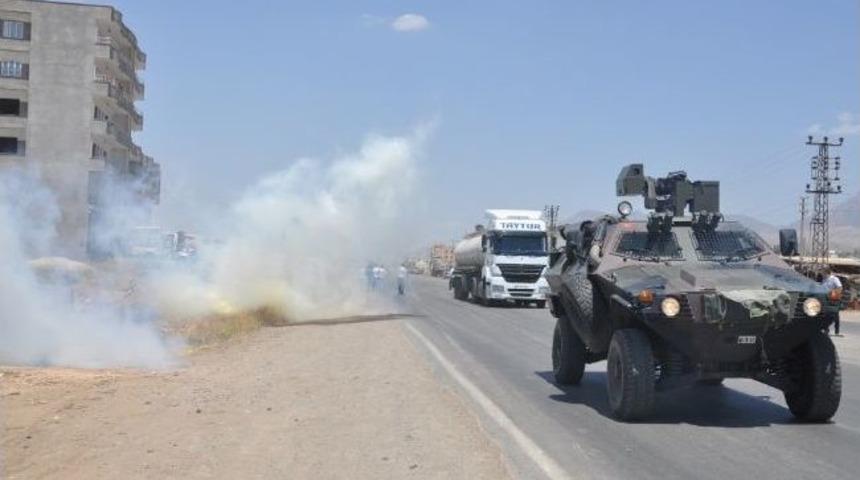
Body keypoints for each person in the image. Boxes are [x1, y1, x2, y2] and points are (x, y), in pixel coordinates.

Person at [822, 268, 843, 335]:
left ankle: (837, 330)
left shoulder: (834, 279)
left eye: (823, 273)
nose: (822, 274)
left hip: (833, 299)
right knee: (825, 315)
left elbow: (840, 288)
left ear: (827, 273)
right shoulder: (824, 279)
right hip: (825, 299)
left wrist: (833, 293)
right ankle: (826, 329)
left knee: (835, 315)